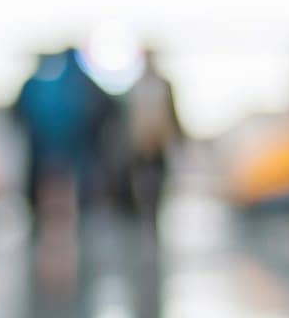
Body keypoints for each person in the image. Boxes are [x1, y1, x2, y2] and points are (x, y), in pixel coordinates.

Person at [11, 47, 116, 226]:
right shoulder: (77, 85)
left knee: (64, 197)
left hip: (59, 154)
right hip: (65, 154)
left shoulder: (39, 86)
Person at [122, 51, 184, 236]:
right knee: (142, 189)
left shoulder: (164, 85)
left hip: (159, 147)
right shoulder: (134, 87)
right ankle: (144, 224)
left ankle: (154, 225)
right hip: (140, 150)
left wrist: (177, 140)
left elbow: (172, 115)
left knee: (159, 188)